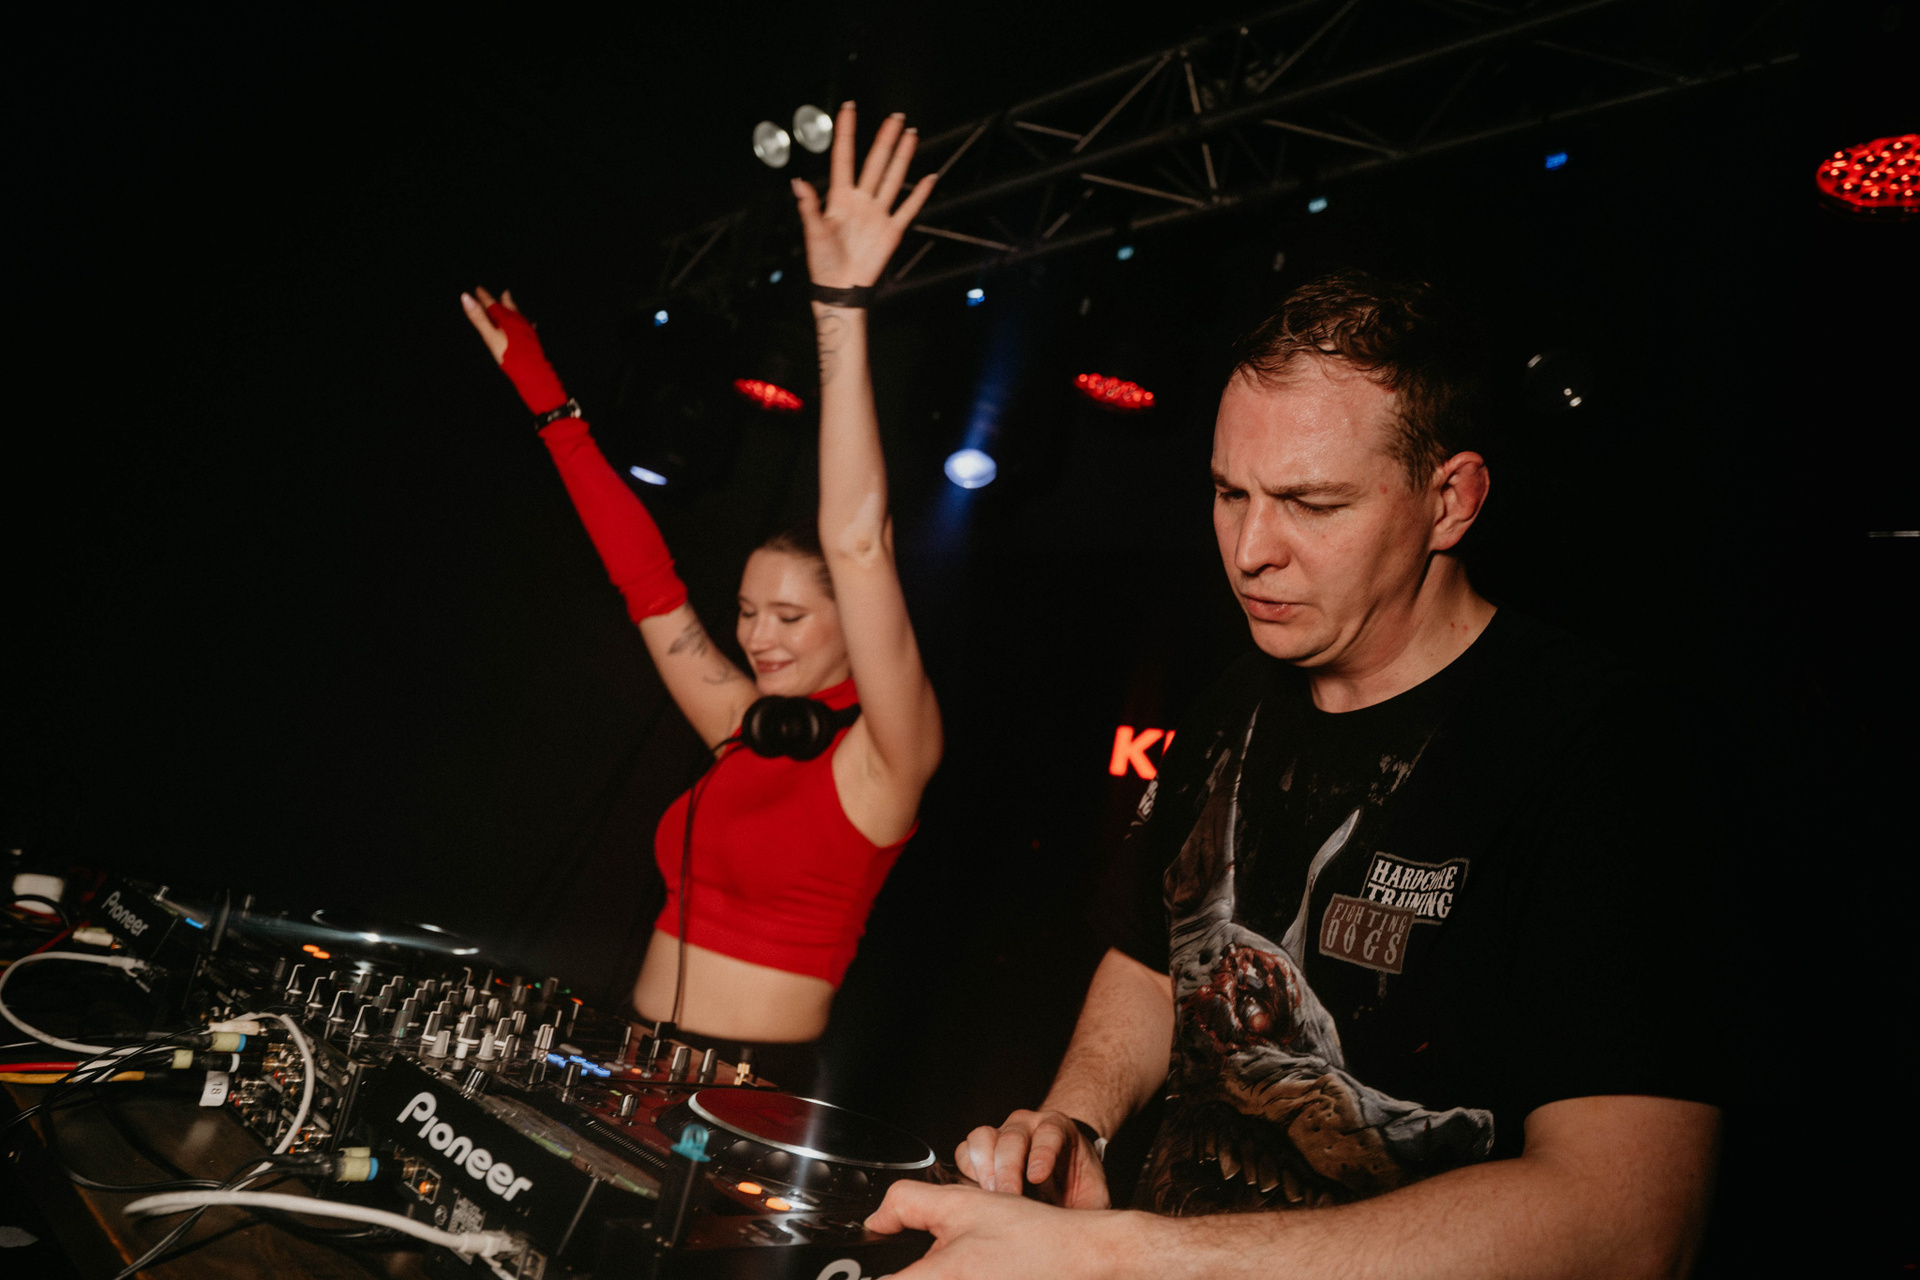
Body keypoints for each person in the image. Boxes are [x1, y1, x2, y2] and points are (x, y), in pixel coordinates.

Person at [867, 272, 1727, 1277]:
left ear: (1451, 501)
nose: (1249, 551)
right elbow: (1155, 961)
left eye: (1312, 504)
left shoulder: (1603, 748)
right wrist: (1076, 1125)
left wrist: (1116, 1255)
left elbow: (1631, 1222)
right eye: (1230, 493)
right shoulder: (1235, 700)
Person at [461, 104, 942, 1091]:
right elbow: (645, 578)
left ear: (850, 623)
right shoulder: (744, 725)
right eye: (749, 612)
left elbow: (857, 540)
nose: (757, 638)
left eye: (790, 617)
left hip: (746, 1094)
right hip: (627, 1056)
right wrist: (548, 399)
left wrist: (840, 306)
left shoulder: (888, 756)